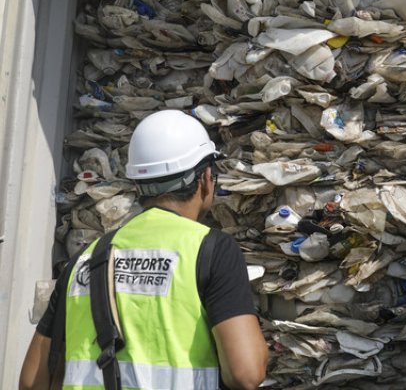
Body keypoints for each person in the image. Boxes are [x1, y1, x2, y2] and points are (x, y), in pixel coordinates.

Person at [19, 110, 269, 390]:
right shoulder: (211, 250)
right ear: (205, 179)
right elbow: (246, 374)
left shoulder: (85, 259)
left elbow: (32, 382)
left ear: (138, 184)